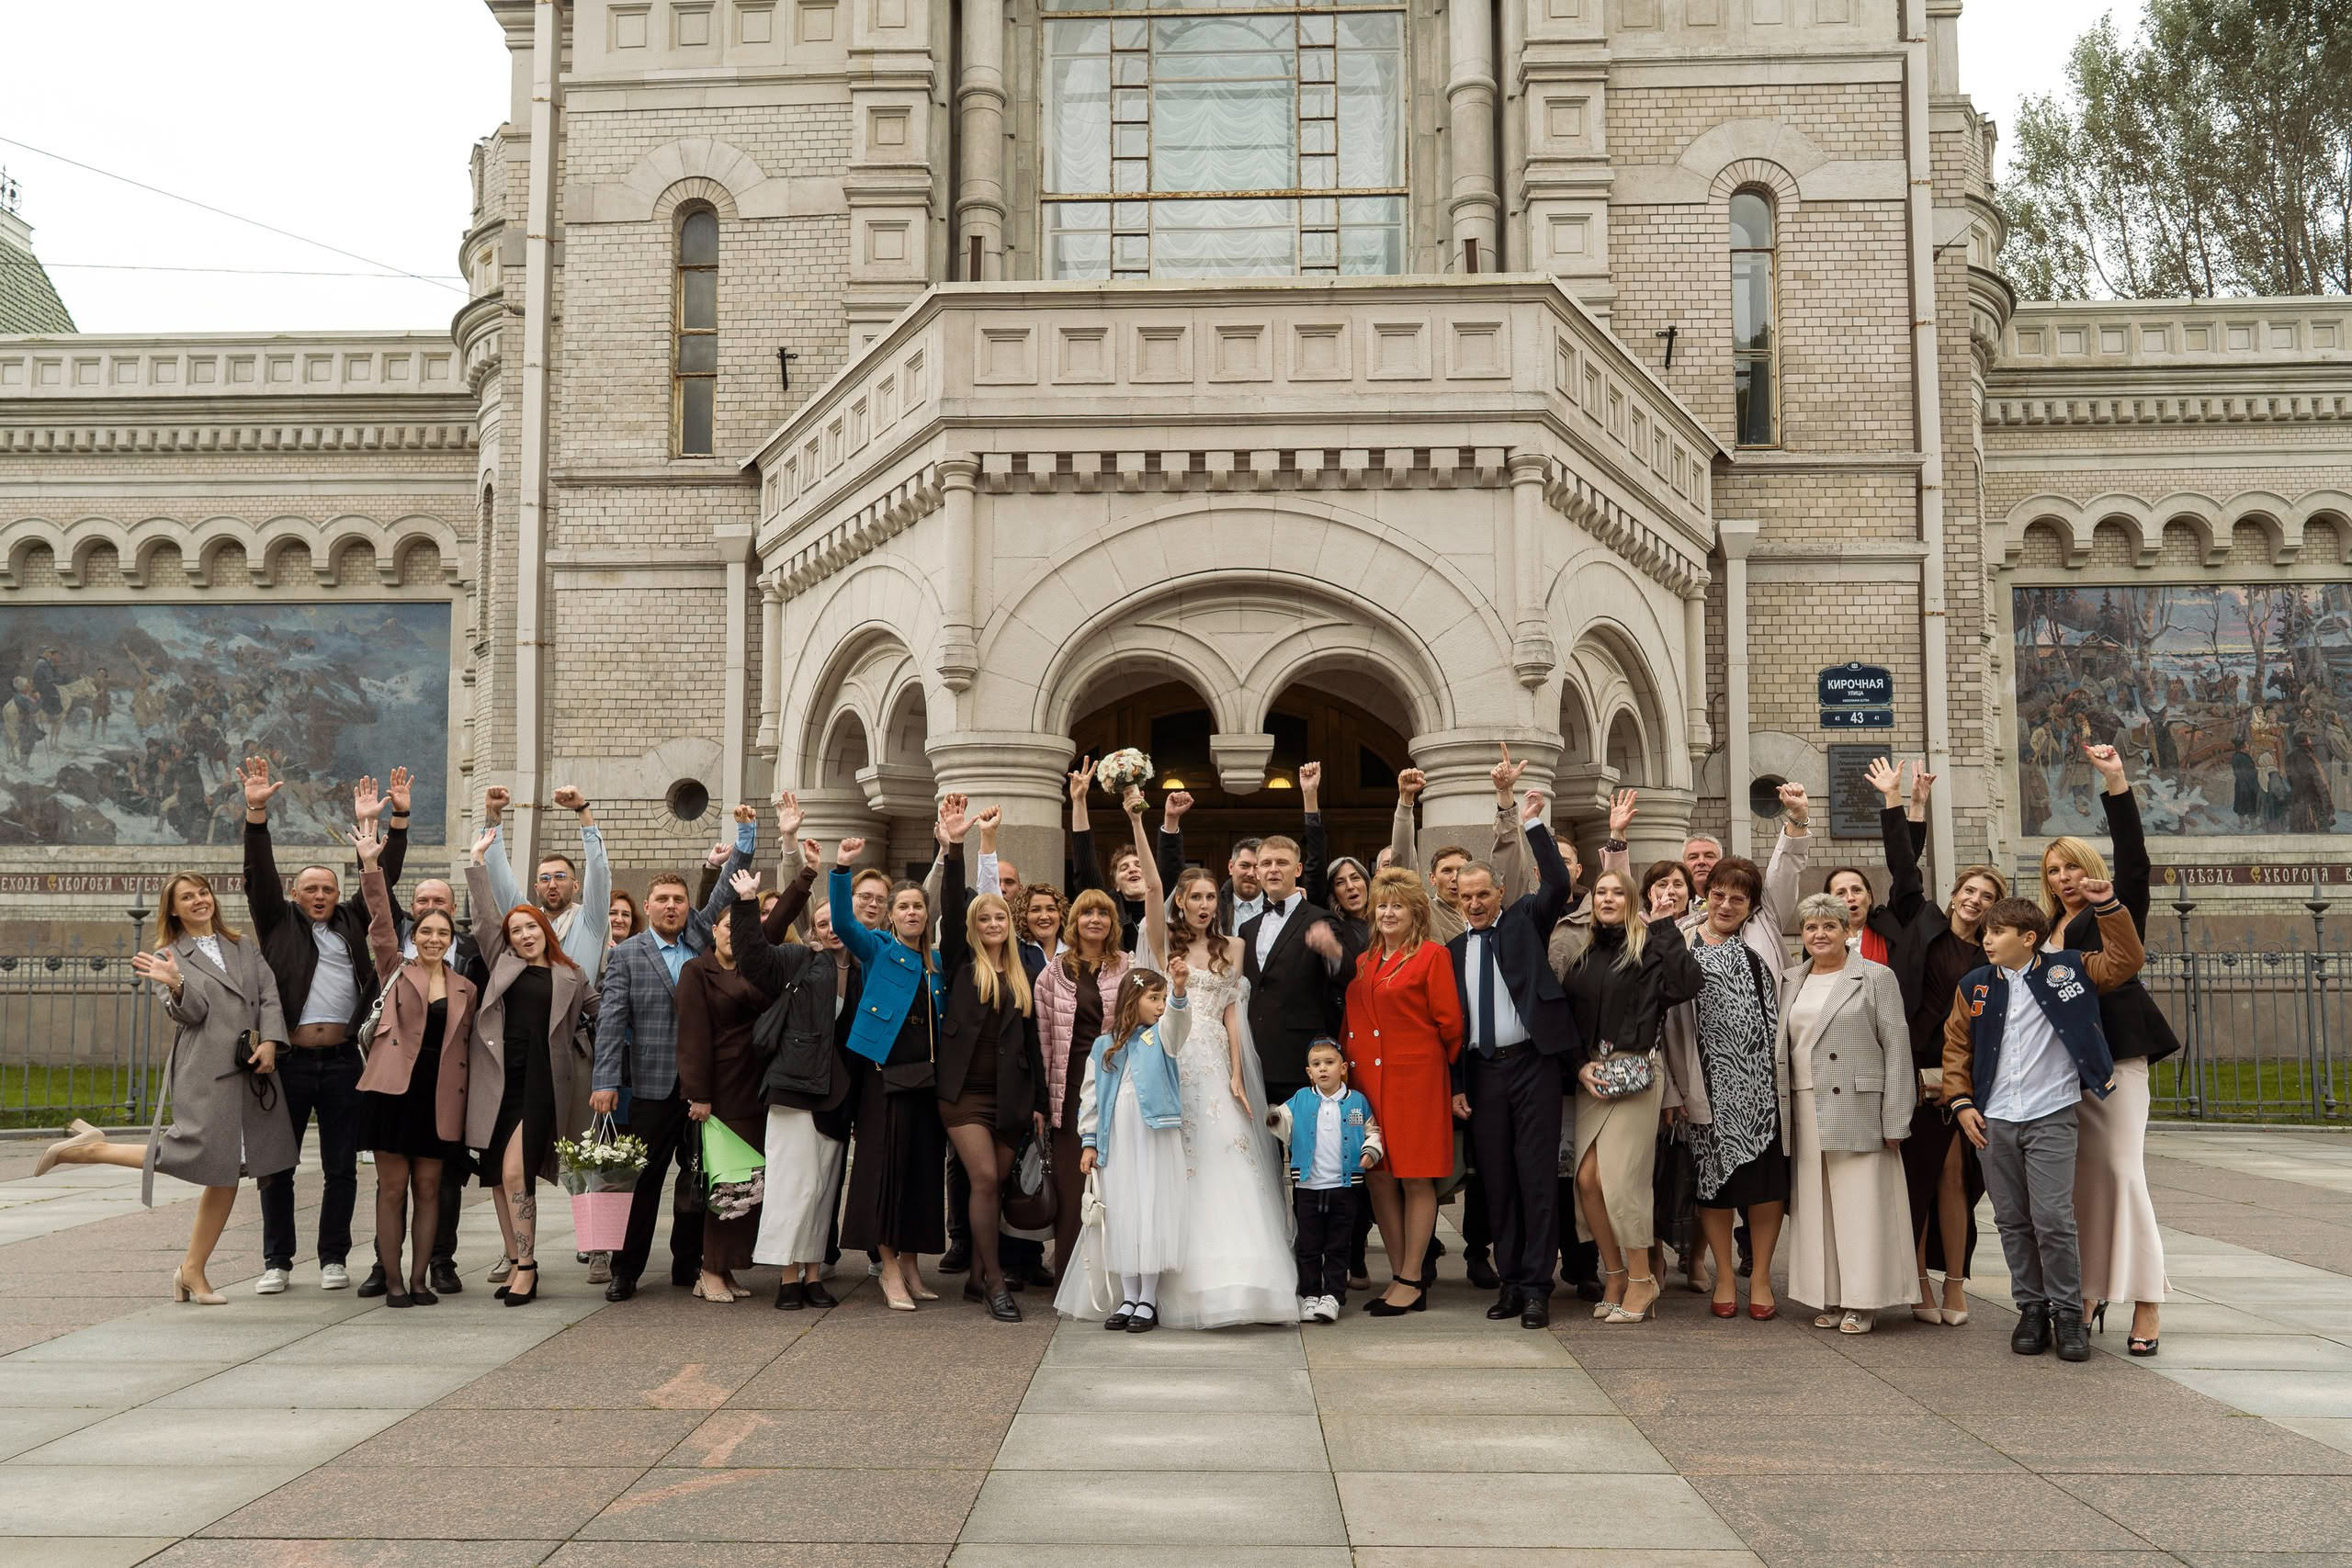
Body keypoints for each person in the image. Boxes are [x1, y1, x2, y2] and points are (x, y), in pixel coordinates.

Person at [37, 873, 298, 1304]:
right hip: (207, 1071)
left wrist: (271, 1040)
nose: (199, 901)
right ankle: (87, 1151)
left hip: (251, 1069)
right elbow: (191, 1015)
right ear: (173, 909)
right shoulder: (167, 956)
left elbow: (268, 995)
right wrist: (176, 982)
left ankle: (192, 1271)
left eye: (203, 893)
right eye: (187, 897)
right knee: (195, 1153)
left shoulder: (243, 945)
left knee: (227, 1173)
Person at [1943, 883, 2144, 1362]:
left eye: (1997, 932)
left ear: (2029, 938)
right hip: (1994, 1119)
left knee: (2053, 1219)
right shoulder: (1974, 985)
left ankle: (2068, 1313)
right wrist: (1962, 1102)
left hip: (2051, 1114)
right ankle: (2030, 1309)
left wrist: (2110, 906)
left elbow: (2125, 960)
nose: (1986, 940)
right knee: (2012, 1220)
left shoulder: (2069, 969)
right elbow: (1957, 1047)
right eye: (1986, 932)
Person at [239, 758, 412, 1294]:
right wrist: (257, 812)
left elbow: (383, 884)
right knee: (278, 1167)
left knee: (341, 1167)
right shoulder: (275, 919)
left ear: (338, 896)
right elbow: (258, 872)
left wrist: (396, 823)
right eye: (310, 889)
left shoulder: (352, 921)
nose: (320, 896)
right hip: (287, 1063)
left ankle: (333, 1256)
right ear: (294, 893)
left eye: (328, 890)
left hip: (341, 1063)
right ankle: (277, 1262)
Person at [1860, 758, 2002, 1327]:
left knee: (1957, 1179)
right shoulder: (1922, 923)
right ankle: (1917, 1279)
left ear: (1997, 909)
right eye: (1969, 890)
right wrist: (1902, 803)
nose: (1975, 900)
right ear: (1955, 894)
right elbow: (1903, 866)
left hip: (1965, 1079)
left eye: (1987, 896)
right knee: (1912, 1178)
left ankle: (1955, 1284)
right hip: (1915, 1072)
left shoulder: (1993, 959)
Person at [2042, 741, 2176, 1355]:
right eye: (2052, 870)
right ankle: (2090, 1292)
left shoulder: (2111, 910)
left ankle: (2148, 1301)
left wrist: (2117, 782)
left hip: (2117, 1059)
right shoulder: (2044, 930)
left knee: (2122, 1172)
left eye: (2070, 865)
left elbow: (2137, 864)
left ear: (2088, 867)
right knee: (2082, 1181)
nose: (2063, 878)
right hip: (2064, 1071)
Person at [590, 809, 753, 1301]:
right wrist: (604, 1081)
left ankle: (689, 1265)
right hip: (653, 1086)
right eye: (662, 900)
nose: (672, 907)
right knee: (642, 1182)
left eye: (679, 900)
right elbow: (611, 1023)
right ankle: (626, 1270)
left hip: (707, 1086)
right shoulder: (627, 955)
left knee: (699, 1178)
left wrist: (745, 836)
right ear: (647, 905)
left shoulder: (700, 939)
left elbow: (726, 890)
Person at [1448, 792, 1579, 1327]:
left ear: (1500, 891)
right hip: (1482, 1074)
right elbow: (1452, 1027)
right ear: (1457, 900)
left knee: (1537, 1177)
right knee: (1496, 1180)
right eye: (1466, 896)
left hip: (1533, 1065)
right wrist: (1457, 1083)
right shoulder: (1453, 951)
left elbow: (1558, 885)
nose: (1475, 903)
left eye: (1483, 893)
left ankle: (1536, 1288)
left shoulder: (1526, 918)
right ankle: (1509, 1281)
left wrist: (1534, 824)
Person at [1155, 857, 1299, 1327]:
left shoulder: (1233, 945)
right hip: (1176, 1056)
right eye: (1194, 896)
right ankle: (1185, 1281)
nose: (1203, 904)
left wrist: (1238, 1073)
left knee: (1232, 1154)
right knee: (1186, 1161)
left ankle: (1251, 1280)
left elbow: (1233, 1013)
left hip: (1216, 1060)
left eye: (1210, 897)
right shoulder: (1165, 944)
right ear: (1180, 901)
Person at [829, 808, 960, 1311]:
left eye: (917, 908)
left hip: (926, 1082)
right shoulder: (879, 948)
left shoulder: (937, 962)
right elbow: (842, 921)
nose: (911, 913)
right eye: (902, 907)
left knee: (921, 1173)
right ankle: (887, 1269)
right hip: (884, 1082)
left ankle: (910, 1264)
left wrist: (951, 851)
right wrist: (842, 870)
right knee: (884, 1173)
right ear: (891, 916)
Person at [1563, 867, 1703, 1324]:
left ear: (1629, 901)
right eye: (1600, 891)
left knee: (1622, 1180)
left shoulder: (1648, 947)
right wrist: (1578, 1066)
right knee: (1587, 1180)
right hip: (1594, 1078)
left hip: (1639, 1072)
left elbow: (1686, 985)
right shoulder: (1583, 956)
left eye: (1616, 892)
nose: (1606, 898)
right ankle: (1617, 1273)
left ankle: (1643, 1279)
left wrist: (1663, 925)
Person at [463, 839, 598, 1307]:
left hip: (543, 1081)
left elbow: (605, 1015)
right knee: (499, 1176)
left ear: (546, 929)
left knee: (516, 1171)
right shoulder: (503, 963)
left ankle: (527, 1266)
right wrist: (478, 863)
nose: (524, 935)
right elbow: (483, 919)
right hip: (498, 1079)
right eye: (516, 930)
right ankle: (515, 1258)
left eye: (531, 927)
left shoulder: (572, 974)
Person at [1773, 895, 1916, 1334]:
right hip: (1804, 1106)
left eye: (1829, 927)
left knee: (1862, 1207)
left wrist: (1896, 1117)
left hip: (1858, 1107)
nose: (1819, 934)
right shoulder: (1791, 979)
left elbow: (1897, 1048)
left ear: (1846, 932)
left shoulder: (1875, 977)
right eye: (1811, 927)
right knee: (1817, 1209)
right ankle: (1831, 1296)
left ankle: (1864, 1301)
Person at [938, 809, 1051, 1322]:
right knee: (983, 1179)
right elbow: (953, 894)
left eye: (999, 917)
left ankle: (979, 1274)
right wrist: (956, 846)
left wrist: (1042, 1105)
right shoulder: (962, 963)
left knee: (1000, 1185)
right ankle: (994, 1282)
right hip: (964, 1096)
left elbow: (1034, 1041)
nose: (991, 924)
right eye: (983, 918)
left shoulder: (1026, 969)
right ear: (973, 926)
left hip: (1013, 1095)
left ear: (1010, 923)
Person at [356, 822, 475, 1306]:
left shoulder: (465, 986)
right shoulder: (393, 967)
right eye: (425, 931)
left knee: (429, 1190)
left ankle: (421, 1277)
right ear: (415, 935)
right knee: (391, 1189)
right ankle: (393, 1280)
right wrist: (370, 865)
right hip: (392, 1093)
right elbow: (380, 920)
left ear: (450, 938)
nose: (432, 937)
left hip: (438, 1097)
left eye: (441, 932)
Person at [1668, 854, 1792, 1321]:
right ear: (1706, 894)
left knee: (1763, 1186)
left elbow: (1785, 874)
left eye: (1737, 898)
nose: (1725, 904)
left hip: (1760, 1085)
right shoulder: (1681, 936)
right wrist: (1674, 1093)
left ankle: (1759, 1276)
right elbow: (1665, 1024)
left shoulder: (1761, 934)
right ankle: (1723, 1273)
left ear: (1752, 905)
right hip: (1706, 1085)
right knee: (1713, 1185)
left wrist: (1795, 825)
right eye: (1717, 894)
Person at [1344, 868, 1464, 1315]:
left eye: (1398, 905)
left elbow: (1450, 1024)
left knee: (1415, 1176)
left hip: (1416, 1082)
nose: (1388, 912)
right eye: (1383, 905)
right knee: (1377, 1176)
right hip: (1367, 1086)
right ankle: (1398, 1275)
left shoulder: (1432, 956)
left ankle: (1413, 1276)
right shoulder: (1365, 960)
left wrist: (1430, 1067)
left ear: (1416, 912)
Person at [745, 821, 850, 1310]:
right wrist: (803, 875)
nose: (831, 929)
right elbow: (753, 950)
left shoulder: (865, 965)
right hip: (792, 1085)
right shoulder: (795, 961)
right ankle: (787, 1276)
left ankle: (812, 1274)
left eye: (838, 922)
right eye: (822, 923)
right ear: (812, 929)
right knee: (791, 1182)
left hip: (838, 1092)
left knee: (822, 1186)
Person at [676, 867, 788, 1304]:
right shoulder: (696, 971)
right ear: (715, 931)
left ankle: (727, 1266)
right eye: (724, 926)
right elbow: (692, 1037)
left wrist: (803, 879)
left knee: (749, 1184)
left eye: (737, 927)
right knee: (726, 1184)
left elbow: (777, 926)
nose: (730, 934)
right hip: (720, 1093)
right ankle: (708, 1270)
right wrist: (699, 1094)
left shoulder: (754, 969)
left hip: (756, 1087)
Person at [1061, 963, 1190, 1332]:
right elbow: (1091, 1097)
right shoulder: (1104, 1046)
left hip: (1153, 1135)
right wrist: (1089, 1141)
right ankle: (1128, 1295)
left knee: (1150, 1206)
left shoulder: (1161, 1036)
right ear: (1133, 1000)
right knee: (1122, 1209)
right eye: (1155, 998)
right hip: (1117, 1137)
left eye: (1164, 998)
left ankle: (1148, 1297)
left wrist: (1178, 992)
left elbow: (1178, 1027)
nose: (1161, 1005)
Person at [1035, 885, 1130, 1280]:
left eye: (1103, 913)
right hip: (1069, 1084)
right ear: (1074, 922)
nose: (1096, 920)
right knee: (1073, 1183)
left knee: (1118, 1180)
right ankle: (1072, 1279)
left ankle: (1119, 1276)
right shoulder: (1054, 972)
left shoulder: (1128, 966)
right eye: (1088, 913)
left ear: (1113, 923)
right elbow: (1041, 1038)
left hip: (1118, 1082)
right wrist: (1041, 1101)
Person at [1268, 1040, 1385, 1322]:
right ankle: (1310, 1295)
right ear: (1309, 1072)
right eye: (1317, 1065)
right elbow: (1281, 1119)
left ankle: (1333, 1296)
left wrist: (1371, 1151)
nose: (1323, 1069)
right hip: (1308, 1187)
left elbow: (1372, 1131)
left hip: (1344, 1188)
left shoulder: (1356, 1101)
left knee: (1337, 1244)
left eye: (1329, 1063)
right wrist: (1272, 1118)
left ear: (1343, 1068)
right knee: (1308, 1244)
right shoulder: (1300, 1099)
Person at [1239, 834, 1347, 1107]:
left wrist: (1333, 952)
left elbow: (1347, 976)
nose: (1273, 869)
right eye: (1266, 863)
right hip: (1254, 1056)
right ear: (1258, 870)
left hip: (1300, 1057)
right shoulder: (1247, 928)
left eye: (1282, 863)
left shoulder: (1320, 918)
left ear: (1298, 870)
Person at [481, 784, 612, 979]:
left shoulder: (591, 920)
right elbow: (500, 881)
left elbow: (599, 870)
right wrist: (493, 813)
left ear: (576, 885)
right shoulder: (528, 920)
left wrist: (582, 810)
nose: (552, 884)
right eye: (544, 879)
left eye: (560, 877)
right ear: (536, 888)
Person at [1064, 757, 1183, 953]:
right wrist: (1078, 801)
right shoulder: (1107, 912)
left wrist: (1171, 820)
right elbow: (1085, 867)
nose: (1133, 870)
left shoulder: (1168, 904)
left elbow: (1171, 867)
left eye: (1138, 865)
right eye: (1124, 868)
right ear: (1116, 885)